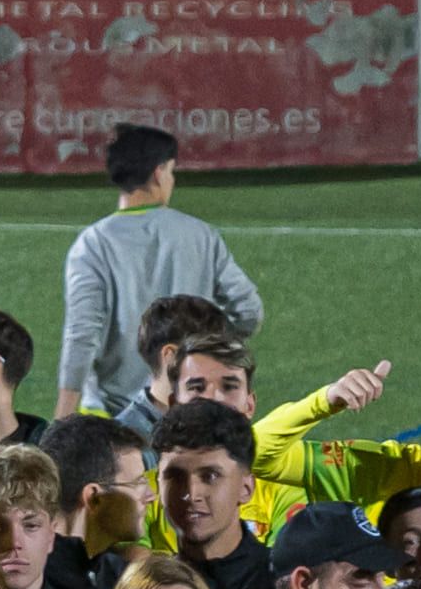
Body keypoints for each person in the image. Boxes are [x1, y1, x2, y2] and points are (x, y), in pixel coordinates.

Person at [58, 126, 265, 424]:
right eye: (171, 171)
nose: (172, 180)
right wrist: (206, 350)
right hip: (190, 406)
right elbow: (249, 312)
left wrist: (64, 412)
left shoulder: (93, 244)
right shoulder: (200, 236)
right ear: (158, 172)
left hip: (113, 416)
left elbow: (82, 334)